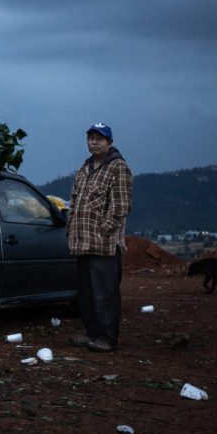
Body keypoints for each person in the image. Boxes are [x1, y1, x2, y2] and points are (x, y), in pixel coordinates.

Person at [65, 122, 133, 352]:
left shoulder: (118, 168)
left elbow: (121, 206)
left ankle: (107, 337)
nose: (93, 141)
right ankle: (91, 333)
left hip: (104, 245)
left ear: (109, 142)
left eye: (99, 138)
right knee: (86, 293)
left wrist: (104, 231)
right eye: (90, 137)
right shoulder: (85, 169)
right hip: (81, 242)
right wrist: (70, 227)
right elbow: (74, 202)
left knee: (105, 293)